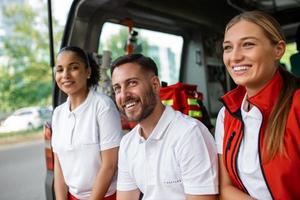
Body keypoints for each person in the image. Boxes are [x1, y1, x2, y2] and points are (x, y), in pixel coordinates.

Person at [215, 10, 300, 200]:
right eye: (228, 47)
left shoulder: (297, 105)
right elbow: (225, 187)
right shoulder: (227, 114)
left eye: (248, 45)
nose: (234, 57)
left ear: (278, 50)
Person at [111, 53, 218, 200]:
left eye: (132, 83)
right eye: (117, 88)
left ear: (155, 85)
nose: (123, 95)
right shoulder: (127, 143)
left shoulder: (189, 134)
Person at [51, 46, 122, 200]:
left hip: (106, 196)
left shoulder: (103, 106)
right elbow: (59, 167)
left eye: (74, 67)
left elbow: (109, 165)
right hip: (72, 196)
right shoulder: (58, 114)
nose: (65, 75)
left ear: (88, 71)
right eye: (60, 70)